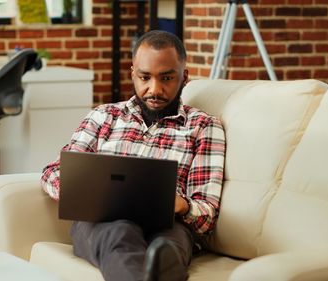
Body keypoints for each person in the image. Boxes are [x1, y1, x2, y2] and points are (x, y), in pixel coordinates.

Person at [41, 30, 226, 281]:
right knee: (120, 232)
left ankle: (163, 266)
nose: (155, 89)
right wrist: (80, 190)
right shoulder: (103, 116)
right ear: (133, 74)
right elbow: (53, 172)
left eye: (167, 78)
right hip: (102, 223)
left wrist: (182, 204)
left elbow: (207, 214)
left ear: (184, 77)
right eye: (145, 77)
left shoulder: (204, 126)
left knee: (168, 247)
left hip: (169, 225)